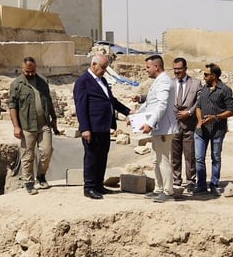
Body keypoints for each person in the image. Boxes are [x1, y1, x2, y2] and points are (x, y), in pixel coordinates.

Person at [73, 53, 130, 200]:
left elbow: (111, 100)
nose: (104, 71)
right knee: (92, 157)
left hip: (104, 126)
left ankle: (99, 185)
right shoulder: (83, 82)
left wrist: (127, 111)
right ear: (93, 65)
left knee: (102, 157)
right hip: (92, 127)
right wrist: (85, 128)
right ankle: (89, 187)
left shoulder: (102, 80)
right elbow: (81, 107)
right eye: (103, 68)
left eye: (106, 68)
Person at [9, 56, 58, 195]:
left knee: (47, 152)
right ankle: (29, 182)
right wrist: (16, 126)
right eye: (27, 71)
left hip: (44, 124)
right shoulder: (17, 84)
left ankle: (41, 176)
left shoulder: (43, 81)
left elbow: (48, 101)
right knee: (27, 155)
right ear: (22, 69)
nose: (30, 74)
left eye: (32, 71)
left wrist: (54, 118)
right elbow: (12, 106)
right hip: (27, 126)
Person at [133, 55, 179, 202]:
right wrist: (135, 116)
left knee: (163, 160)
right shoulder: (158, 82)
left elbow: (161, 105)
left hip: (164, 128)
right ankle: (159, 188)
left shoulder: (164, 81)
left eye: (148, 67)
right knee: (155, 159)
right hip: (158, 128)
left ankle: (168, 191)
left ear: (156, 67)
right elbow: (150, 104)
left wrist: (150, 123)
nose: (146, 70)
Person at [192, 63, 233, 195]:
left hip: (217, 130)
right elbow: (198, 106)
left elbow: (231, 110)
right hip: (201, 131)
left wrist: (215, 117)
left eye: (206, 74)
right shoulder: (204, 89)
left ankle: (214, 184)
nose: (204, 76)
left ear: (214, 76)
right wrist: (200, 121)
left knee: (215, 157)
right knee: (199, 158)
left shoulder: (225, 90)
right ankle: (201, 185)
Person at [169, 57, 201, 192]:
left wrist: (189, 112)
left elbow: (200, 101)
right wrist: (141, 98)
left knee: (190, 156)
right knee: (175, 156)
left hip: (189, 125)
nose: (177, 71)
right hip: (174, 125)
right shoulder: (170, 83)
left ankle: (191, 181)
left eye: (179, 69)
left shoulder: (196, 83)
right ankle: (176, 180)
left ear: (185, 69)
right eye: (175, 69)